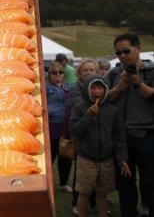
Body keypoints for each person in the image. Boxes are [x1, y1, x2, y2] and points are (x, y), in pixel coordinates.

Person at [106, 33, 154, 217]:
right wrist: (119, 88)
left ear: (138, 49)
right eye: (118, 53)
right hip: (121, 139)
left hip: (146, 137)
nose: (123, 56)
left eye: (126, 51)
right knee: (125, 183)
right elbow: (104, 100)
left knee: (149, 181)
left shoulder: (151, 71)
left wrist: (138, 83)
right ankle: (128, 213)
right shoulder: (113, 73)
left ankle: (148, 208)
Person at [70, 75, 131, 217]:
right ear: (87, 90)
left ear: (106, 90)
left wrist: (122, 159)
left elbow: (119, 137)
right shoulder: (79, 108)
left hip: (106, 160)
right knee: (84, 193)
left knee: (102, 193)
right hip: (86, 160)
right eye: (93, 88)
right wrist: (88, 116)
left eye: (100, 88)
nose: (97, 92)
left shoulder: (112, 110)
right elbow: (74, 131)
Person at [63, 59, 100, 213]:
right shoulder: (75, 89)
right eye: (85, 70)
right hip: (81, 136)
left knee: (97, 172)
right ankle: (77, 203)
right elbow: (73, 108)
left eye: (91, 70)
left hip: (97, 137)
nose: (88, 72)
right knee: (81, 172)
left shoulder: (99, 88)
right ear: (79, 73)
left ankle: (93, 202)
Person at [46, 62, 73, 193]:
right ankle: (46, 183)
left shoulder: (69, 87)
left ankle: (63, 183)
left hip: (65, 126)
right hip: (51, 126)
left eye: (60, 72)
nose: (58, 75)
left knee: (65, 156)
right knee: (49, 158)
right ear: (49, 74)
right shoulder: (45, 87)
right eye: (54, 72)